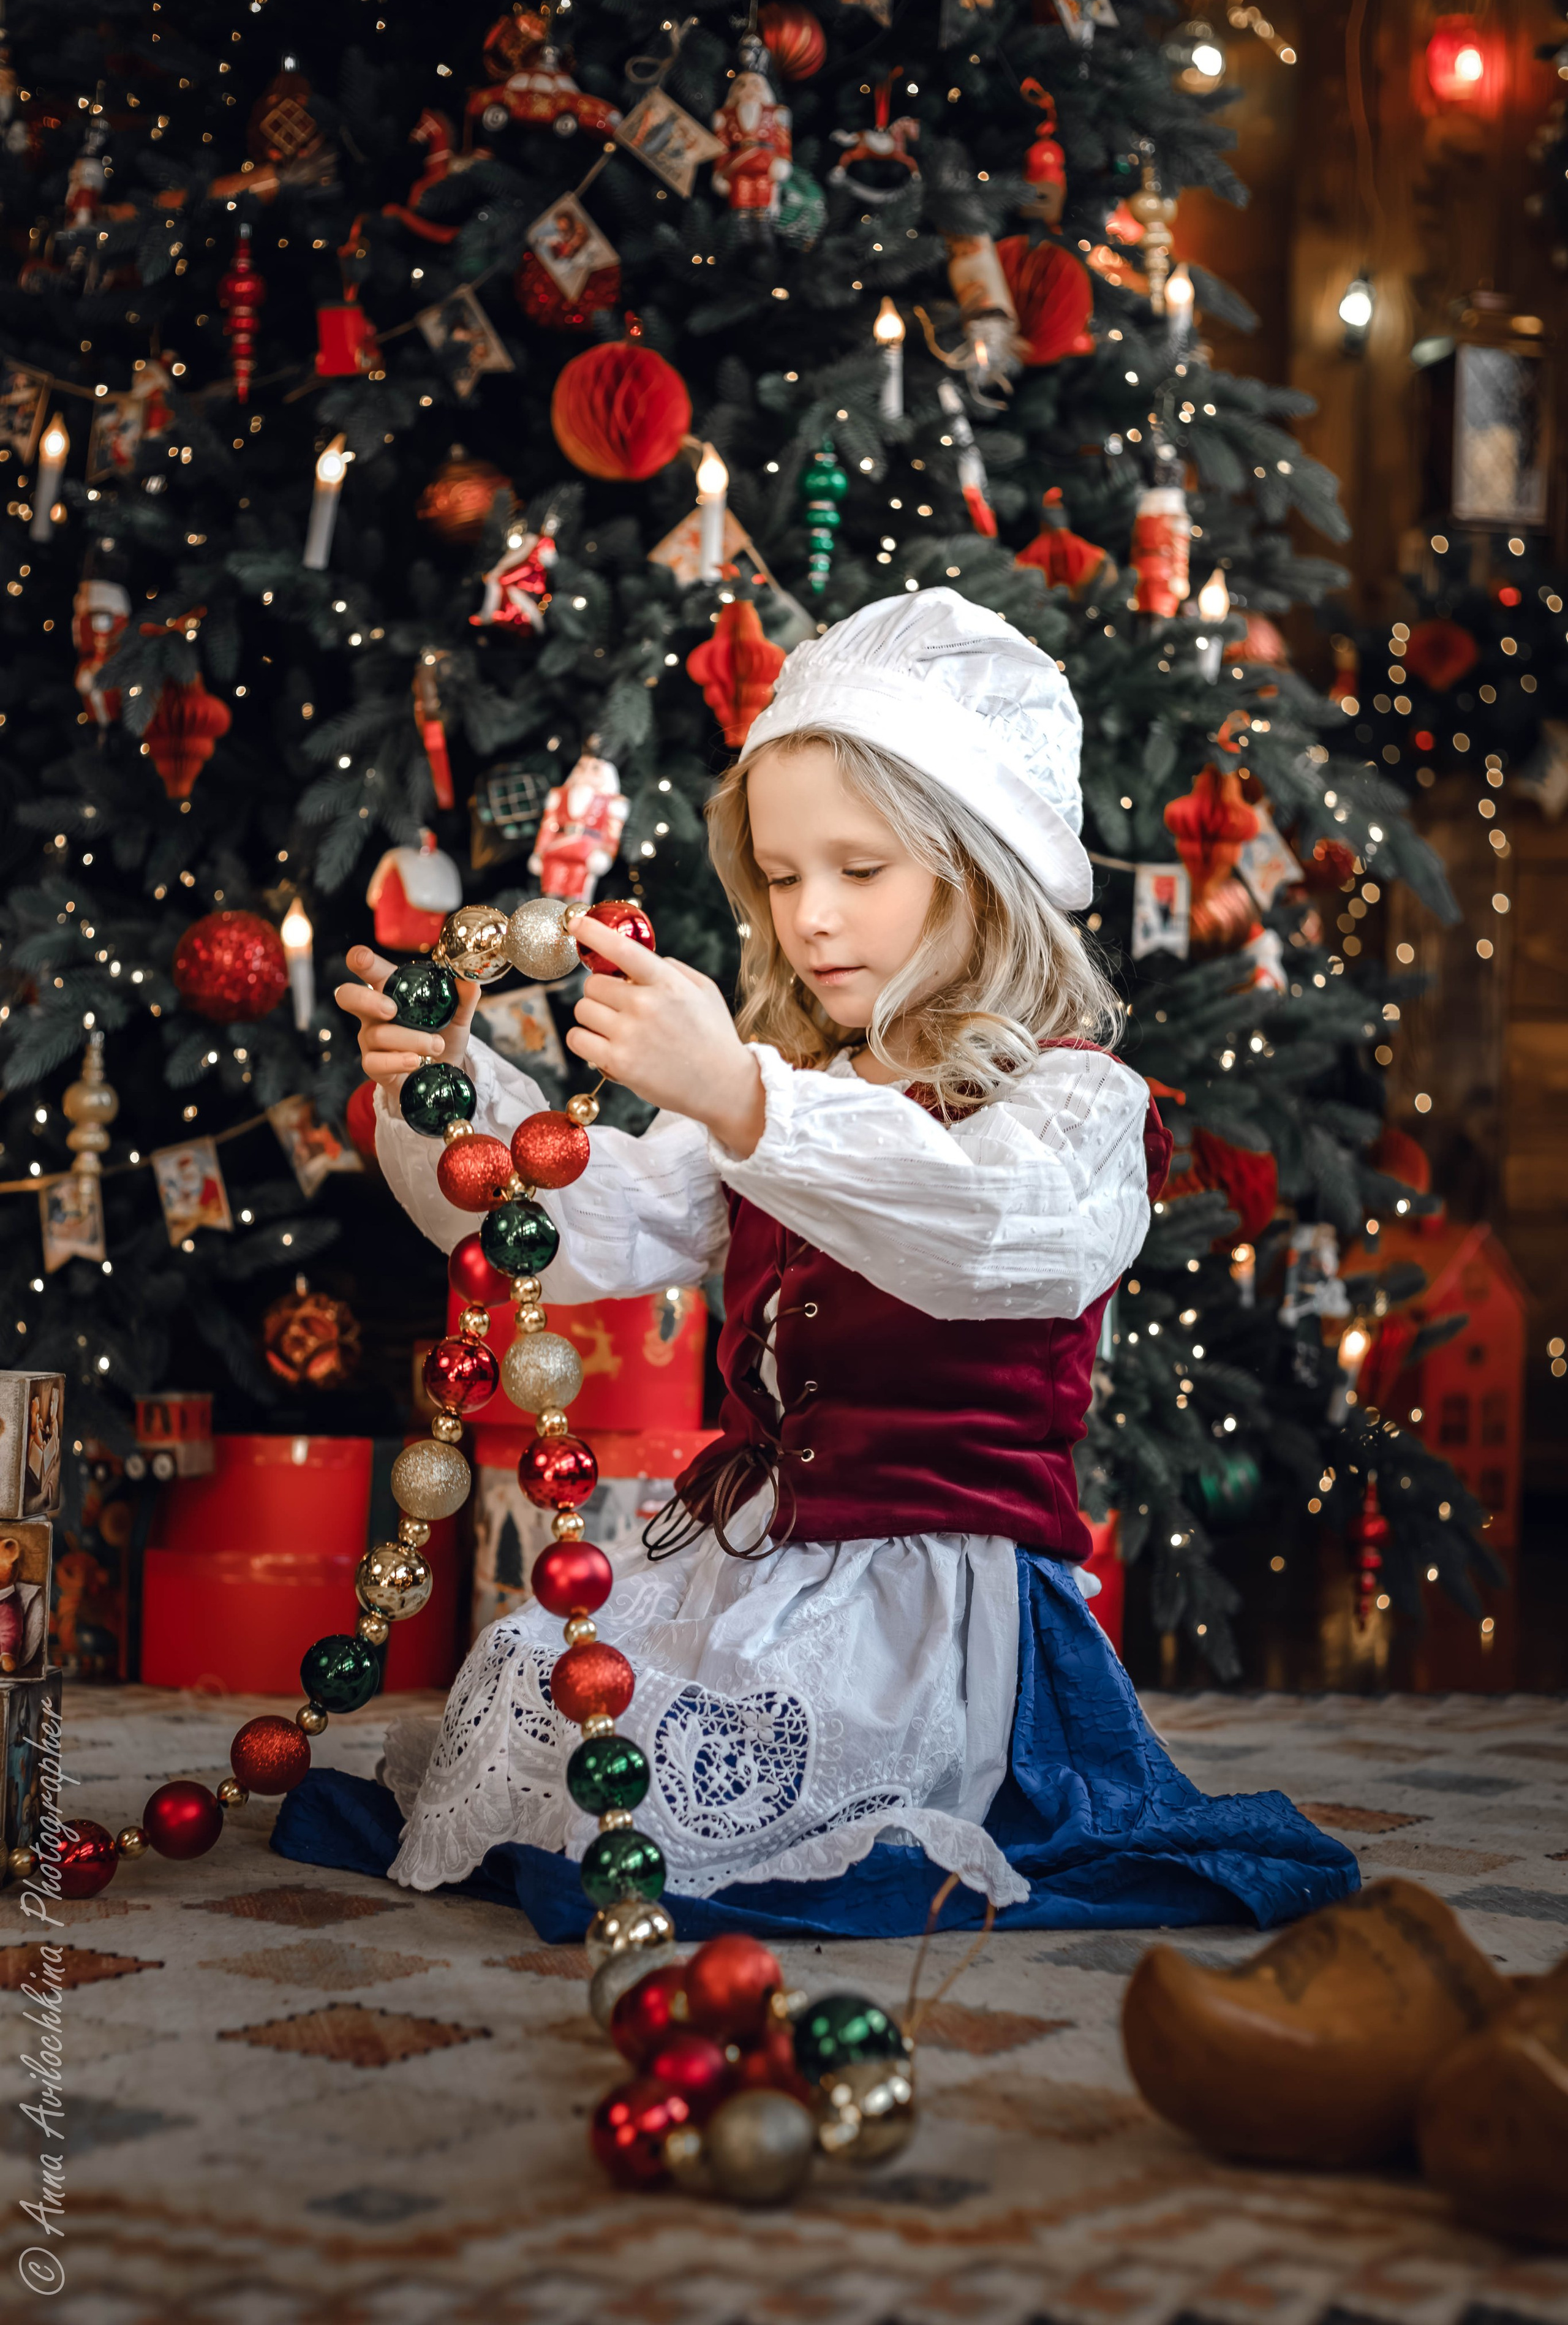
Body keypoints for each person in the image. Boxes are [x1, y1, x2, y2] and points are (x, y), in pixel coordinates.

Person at [335, 589, 1355, 1936]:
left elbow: (997, 1235)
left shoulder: (1069, 1107)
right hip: (749, 1563)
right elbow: (583, 1233)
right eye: (778, 874)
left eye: (859, 871)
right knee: (532, 1677)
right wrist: (448, 1095)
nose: (809, 917)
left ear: (980, 866)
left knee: (741, 1774)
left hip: (930, 1606)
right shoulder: (784, 1092)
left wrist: (747, 1101)